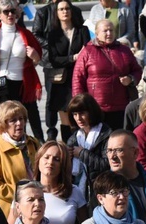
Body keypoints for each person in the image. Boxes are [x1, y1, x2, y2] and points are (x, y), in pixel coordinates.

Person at [0, 0, 44, 143]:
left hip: (24, 85)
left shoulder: (25, 34)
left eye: (13, 11)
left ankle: (39, 147)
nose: (10, 14)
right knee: (6, 121)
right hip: (2, 86)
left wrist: (35, 58)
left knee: (32, 118)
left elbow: (36, 60)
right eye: (6, 12)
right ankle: (5, 149)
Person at [72, 19, 143, 132]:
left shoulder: (124, 50)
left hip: (121, 107)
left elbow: (137, 70)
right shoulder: (87, 51)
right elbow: (77, 79)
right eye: (105, 31)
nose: (109, 33)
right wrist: (80, 106)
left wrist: (130, 79)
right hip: (96, 108)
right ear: (97, 33)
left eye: (111, 30)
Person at [0, 100, 40, 217]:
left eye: (21, 119)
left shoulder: (33, 143)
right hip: (10, 212)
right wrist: (24, 194)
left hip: (36, 206)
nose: (19, 123)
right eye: (13, 120)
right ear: (2, 125)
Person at [46, 0, 91, 142]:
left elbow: (88, 52)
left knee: (79, 115)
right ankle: (67, 149)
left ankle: (82, 145)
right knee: (65, 120)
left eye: (67, 8)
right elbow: (54, 59)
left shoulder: (82, 31)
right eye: (61, 9)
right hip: (61, 81)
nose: (65, 11)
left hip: (79, 77)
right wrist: (73, 57)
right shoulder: (53, 34)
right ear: (57, 13)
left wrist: (76, 58)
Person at [66, 93, 111, 199]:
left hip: (101, 190)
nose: (78, 118)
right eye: (74, 114)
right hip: (78, 191)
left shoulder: (106, 134)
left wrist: (82, 153)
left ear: (91, 112)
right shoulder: (74, 139)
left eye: (82, 113)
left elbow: (106, 165)